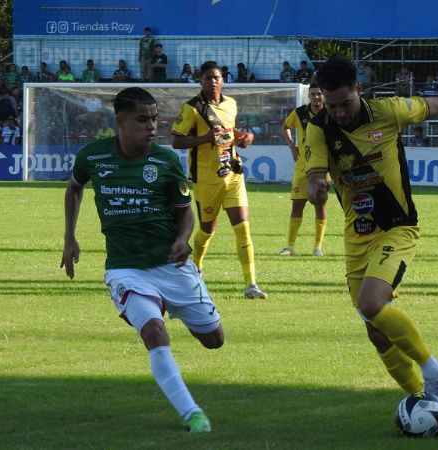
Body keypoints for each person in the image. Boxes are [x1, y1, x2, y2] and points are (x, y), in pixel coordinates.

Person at [304, 56, 438, 408]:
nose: (338, 112)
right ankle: (422, 398)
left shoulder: (390, 111)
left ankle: (434, 369)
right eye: (332, 105)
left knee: (371, 305)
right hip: (356, 237)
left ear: (360, 90)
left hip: (397, 228)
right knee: (376, 334)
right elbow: (314, 177)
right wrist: (316, 189)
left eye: (345, 104)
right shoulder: (319, 127)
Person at [61, 86, 222, 434]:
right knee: (153, 331)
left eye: (154, 119)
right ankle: (192, 414)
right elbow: (74, 187)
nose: (152, 126)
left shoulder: (165, 162)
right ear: (120, 122)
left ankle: (166, 301)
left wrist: (181, 239)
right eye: (143, 119)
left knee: (214, 340)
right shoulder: (93, 157)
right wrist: (69, 237)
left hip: (171, 264)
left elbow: (185, 212)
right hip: (126, 267)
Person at [170, 61, 267, 299]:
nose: (212, 81)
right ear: (201, 81)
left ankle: (251, 284)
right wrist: (204, 139)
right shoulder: (191, 109)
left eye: (216, 77)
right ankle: (196, 267)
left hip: (233, 174)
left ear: (223, 80)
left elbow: (230, 130)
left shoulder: (231, 104)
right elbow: (176, 141)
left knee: (243, 228)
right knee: (206, 230)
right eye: (208, 78)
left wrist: (245, 136)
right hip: (206, 179)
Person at [279, 83, 328, 257]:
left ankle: (317, 247)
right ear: (309, 96)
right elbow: (285, 127)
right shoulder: (299, 113)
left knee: (320, 205)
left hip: (321, 166)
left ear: (324, 95)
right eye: (313, 94)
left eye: (319, 94)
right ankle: (290, 246)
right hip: (302, 165)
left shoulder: (330, 113)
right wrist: (292, 146)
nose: (316, 97)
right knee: (297, 205)